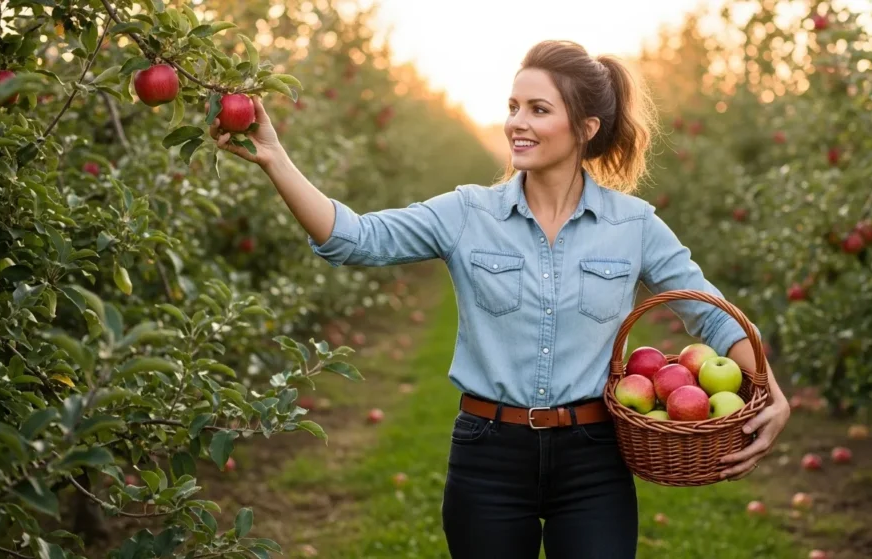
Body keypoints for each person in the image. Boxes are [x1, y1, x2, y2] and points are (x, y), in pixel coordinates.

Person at [211, 39, 791, 559]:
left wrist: (772, 391)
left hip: (594, 456)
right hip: (488, 454)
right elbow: (352, 238)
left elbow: (709, 312)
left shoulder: (634, 225)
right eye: (514, 106)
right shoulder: (467, 212)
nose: (518, 122)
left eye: (539, 110)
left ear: (585, 127)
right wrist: (274, 158)